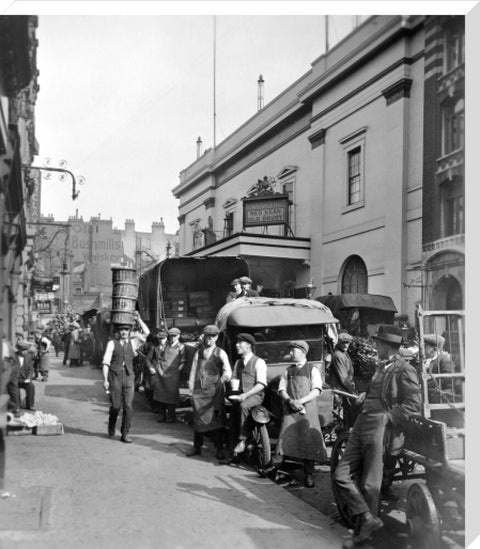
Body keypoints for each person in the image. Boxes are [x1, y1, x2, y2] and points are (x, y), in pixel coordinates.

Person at [333, 325, 422, 545]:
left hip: (380, 424)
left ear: (385, 345)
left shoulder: (404, 369)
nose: (375, 346)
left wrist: (388, 417)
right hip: (363, 420)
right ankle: (366, 517)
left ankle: (366, 533)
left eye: (378, 343)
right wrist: (366, 394)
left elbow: (414, 404)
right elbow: (379, 391)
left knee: (370, 484)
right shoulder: (381, 366)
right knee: (340, 475)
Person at [273, 340, 327, 488]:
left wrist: (301, 401)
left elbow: (316, 390)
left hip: (307, 410)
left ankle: (309, 473)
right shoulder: (288, 371)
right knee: (285, 439)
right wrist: (290, 400)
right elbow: (282, 389)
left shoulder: (312, 370)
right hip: (291, 410)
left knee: (308, 441)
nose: (290, 353)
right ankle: (279, 470)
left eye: (293, 350)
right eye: (290, 350)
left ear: (303, 352)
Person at [187, 325, 232, 459]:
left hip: (214, 392)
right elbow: (193, 371)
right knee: (198, 419)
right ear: (204, 337)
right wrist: (191, 391)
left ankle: (219, 449)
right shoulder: (199, 353)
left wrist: (223, 379)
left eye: (212, 337)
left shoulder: (220, 353)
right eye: (207, 337)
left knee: (216, 420)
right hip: (199, 392)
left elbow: (228, 371)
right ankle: (197, 447)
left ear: (216, 338)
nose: (209, 340)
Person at [102, 317, 146, 443]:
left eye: (126, 330)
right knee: (116, 406)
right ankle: (111, 424)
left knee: (128, 406)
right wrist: (105, 380)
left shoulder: (133, 343)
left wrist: (139, 319)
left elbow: (147, 333)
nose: (124, 332)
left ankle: (125, 433)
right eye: (121, 330)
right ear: (117, 332)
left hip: (129, 377)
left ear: (129, 331)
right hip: (115, 376)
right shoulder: (112, 344)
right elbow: (106, 363)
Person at [229, 333, 267, 456]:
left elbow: (261, 384)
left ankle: (243, 440)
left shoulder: (259, 362)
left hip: (255, 396)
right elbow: (234, 378)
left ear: (249, 345)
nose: (237, 345)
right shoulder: (238, 363)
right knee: (233, 413)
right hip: (240, 395)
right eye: (237, 342)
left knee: (243, 406)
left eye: (240, 343)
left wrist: (246, 394)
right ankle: (233, 452)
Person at [153, 327, 186, 423]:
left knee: (172, 395)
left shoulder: (181, 347)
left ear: (178, 336)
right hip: (161, 372)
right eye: (170, 336)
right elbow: (160, 357)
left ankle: (171, 416)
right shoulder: (165, 345)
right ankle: (161, 415)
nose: (172, 338)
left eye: (174, 336)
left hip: (173, 375)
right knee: (160, 394)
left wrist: (177, 372)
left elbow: (183, 362)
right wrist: (158, 367)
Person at [328, 332, 358, 428]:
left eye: (348, 343)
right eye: (343, 343)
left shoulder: (344, 353)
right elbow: (343, 378)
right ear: (339, 343)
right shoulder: (338, 355)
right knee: (346, 415)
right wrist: (353, 391)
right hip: (340, 390)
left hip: (344, 388)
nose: (345, 345)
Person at [423, 334, 457, 403]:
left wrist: (426, 384)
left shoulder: (444, 360)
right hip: (430, 395)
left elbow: (447, 379)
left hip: (442, 398)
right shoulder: (427, 360)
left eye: (425, 346)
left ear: (434, 349)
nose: (422, 349)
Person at [7, 341, 36, 413]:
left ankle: (29, 405)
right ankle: (17, 406)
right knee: (15, 389)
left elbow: (30, 369)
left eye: (26, 350)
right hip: (14, 380)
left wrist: (29, 378)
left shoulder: (28, 357)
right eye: (23, 350)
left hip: (24, 379)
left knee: (31, 386)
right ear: (19, 350)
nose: (25, 352)